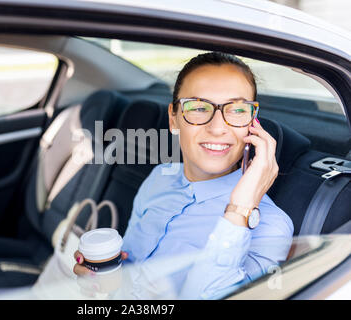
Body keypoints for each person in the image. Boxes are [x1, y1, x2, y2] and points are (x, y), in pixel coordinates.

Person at [73, 52, 294, 299]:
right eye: (198, 107)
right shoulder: (160, 177)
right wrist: (102, 278)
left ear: (252, 121)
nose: (218, 128)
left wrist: (240, 210)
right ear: (173, 119)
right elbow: (129, 270)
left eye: (236, 110)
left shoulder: (271, 227)